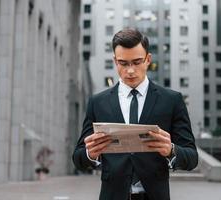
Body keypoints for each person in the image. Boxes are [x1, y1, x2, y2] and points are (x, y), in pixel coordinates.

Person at [72, 28, 198, 200]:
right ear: (115, 62)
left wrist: (171, 150)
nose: (130, 71)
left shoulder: (172, 100)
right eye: (123, 63)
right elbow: (78, 158)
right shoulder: (97, 102)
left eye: (137, 62)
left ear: (148, 60)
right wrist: (90, 153)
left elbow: (192, 157)